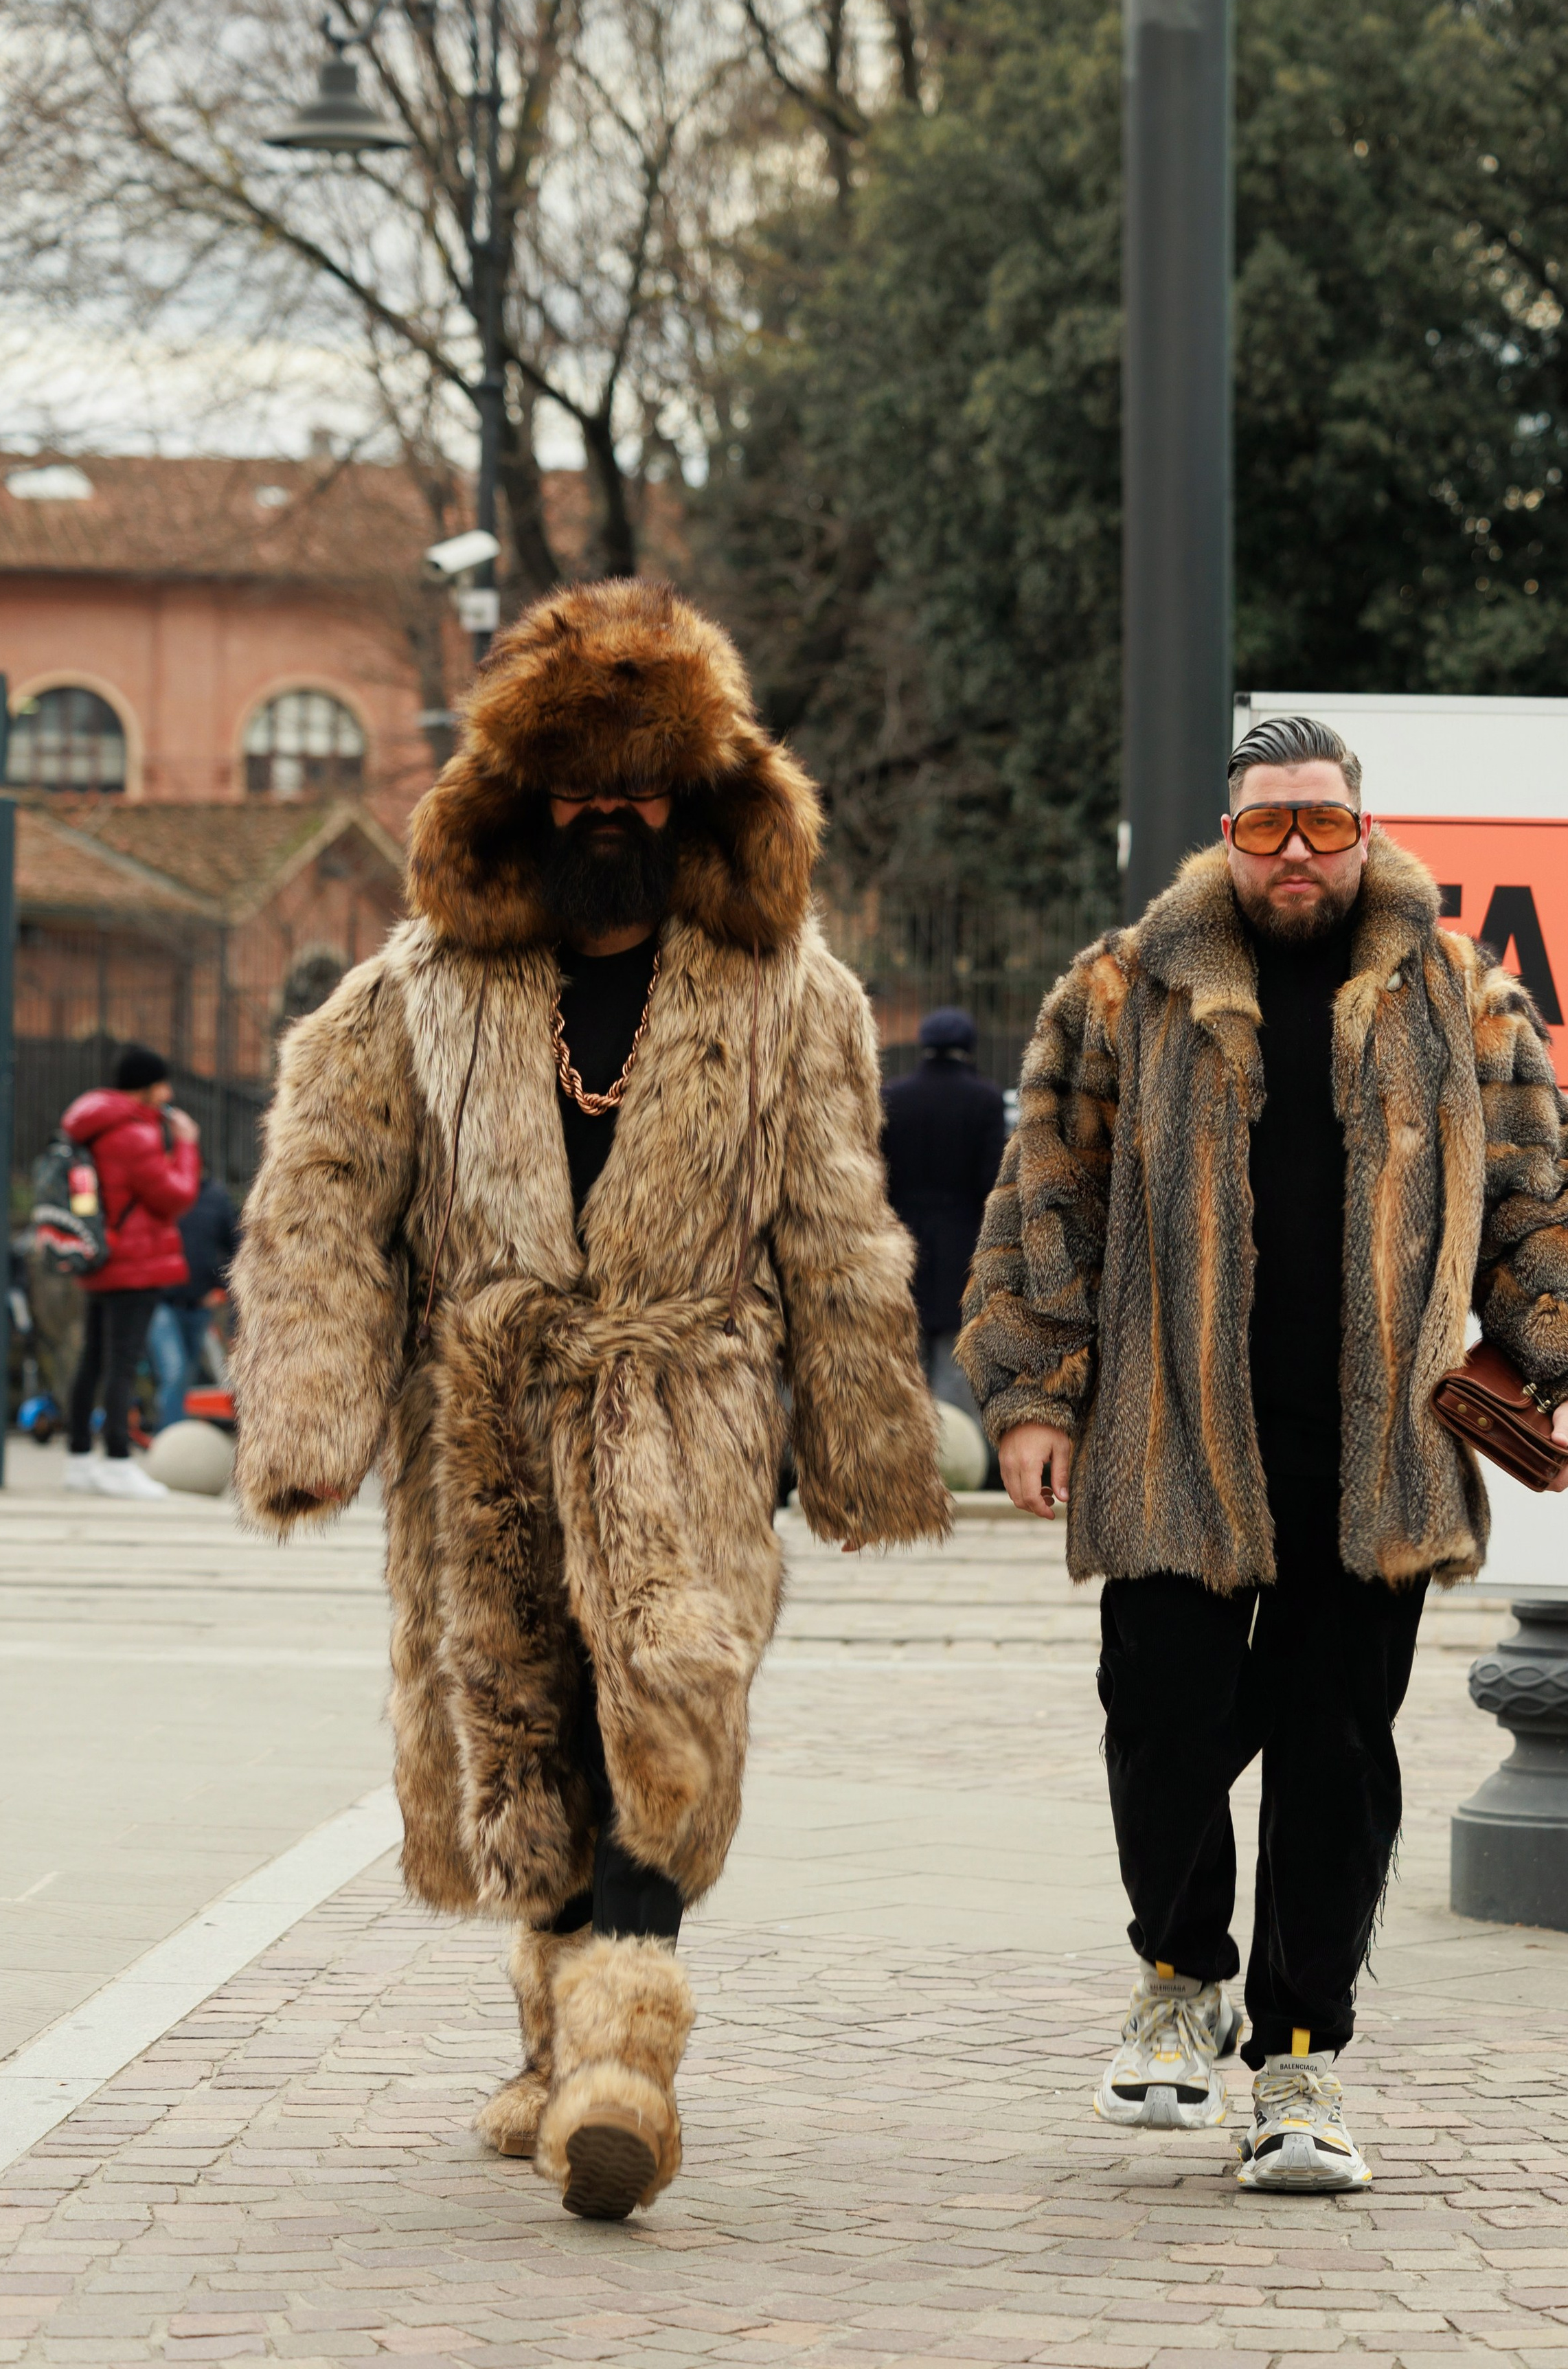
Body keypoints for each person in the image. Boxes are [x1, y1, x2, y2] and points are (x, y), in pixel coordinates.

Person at [230, 577, 950, 2223]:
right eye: (577, 783)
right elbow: (322, 1201)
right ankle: (555, 2037)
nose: (609, 812)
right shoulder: (409, 992)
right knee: (523, 1732)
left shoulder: (793, 993)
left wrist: (859, 1447)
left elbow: (836, 1226)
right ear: (521, 795)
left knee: (671, 1708)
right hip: (479, 1415)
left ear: (697, 796)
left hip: (691, 1400)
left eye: (642, 783)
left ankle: (624, 2060)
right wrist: (313, 1420)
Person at [959, 713, 1568, 2194]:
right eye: (1267, 824)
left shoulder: (1459, 993)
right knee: (1162, 1723)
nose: (1295, 851)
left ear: (1361, 832)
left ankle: (1295, 2065)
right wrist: (1031, 1396)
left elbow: (1540, 1196)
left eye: (1321, 825)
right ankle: (1178, 1976)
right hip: (1169, 1436)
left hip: (1373, 1455)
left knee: (1335, 1758)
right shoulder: (1121, 988)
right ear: (1227, 837)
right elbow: (1046, 1204)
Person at [63, 1045, 201, 1498]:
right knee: (121, 1364)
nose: (169, 1094)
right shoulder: (134, 1135)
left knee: (93, 1361)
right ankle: (118, 1461)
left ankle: (79, 1459)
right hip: (136, 1264)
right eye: (163, 1085)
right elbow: (176, 1195)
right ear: (146, 1087)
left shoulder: (95, 1127)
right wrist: (187, 1144)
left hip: (103, 1258)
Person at [880, 1006, 1007, 1432]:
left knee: (905, 1353)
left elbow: (879, 1174)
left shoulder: (894, 1097)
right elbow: (992, 1182)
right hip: (963, 1243)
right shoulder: (985, 1100)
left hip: (903, 1244)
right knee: (956, 1353)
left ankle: (904, 1445)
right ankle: (957, 1450)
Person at [148, 1173, 240, 1430]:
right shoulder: (159, 1192)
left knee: (184, 1378)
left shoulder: (215, 1198)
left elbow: (238, 1247)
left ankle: (171, 1433)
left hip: (200, 1308)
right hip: (163, 1304)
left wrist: (221, 1286)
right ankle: (169, 1440)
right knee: (175, 1372)